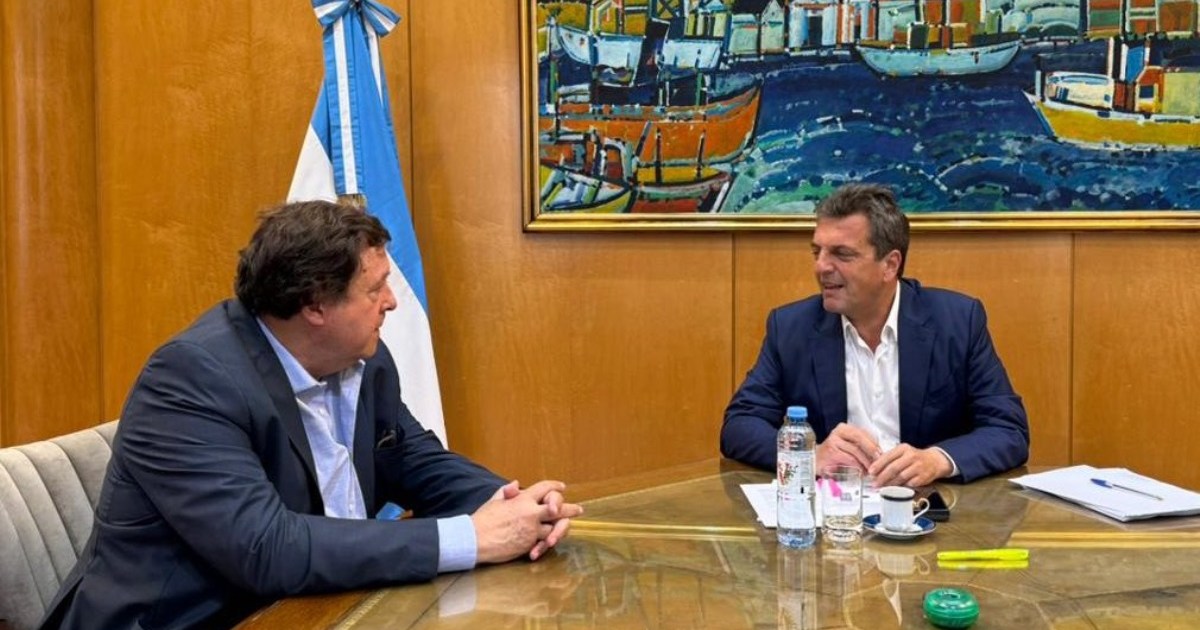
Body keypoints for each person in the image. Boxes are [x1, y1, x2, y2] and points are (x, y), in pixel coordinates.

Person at [41, 201, 583, 629]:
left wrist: (513, 506)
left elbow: (416, 460)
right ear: (316, 305)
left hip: (320, 610)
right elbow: (265, 549)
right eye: (375, 288)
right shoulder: (191, 380)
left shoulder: (364, 358)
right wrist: (471, 537)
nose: (392, 302)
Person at [721, 183, 1028, 486]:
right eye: (817, 251)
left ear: (890, 265)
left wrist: (937, 460)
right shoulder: (792, 327)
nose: (821, 267)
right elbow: (739, 425)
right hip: (835, 505)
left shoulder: (957, 321)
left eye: (842, 254)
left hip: (927, 505)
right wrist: (809, 455)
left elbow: (1008, 429)